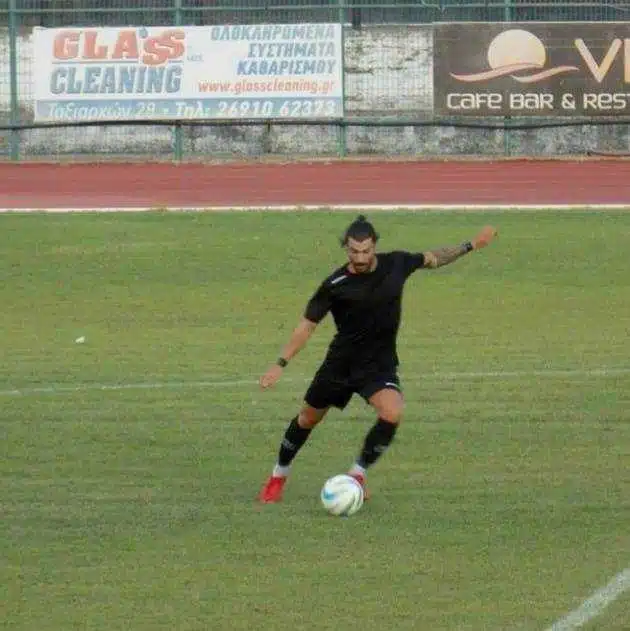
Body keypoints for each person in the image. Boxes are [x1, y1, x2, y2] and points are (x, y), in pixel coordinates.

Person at [257, 214, 498, 503]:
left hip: (378, 365)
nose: (360, 257)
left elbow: (434, 258)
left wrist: (471, 245)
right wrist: (280, 364)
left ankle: (357, 474)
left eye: (366, 250)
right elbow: (307, 325)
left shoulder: (397, 263)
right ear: (346, 248)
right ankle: (278, 475)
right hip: (341, 364)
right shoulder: (335, 284)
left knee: (392, 412)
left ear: (374, 247)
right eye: (354, 251)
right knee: (307, 419)